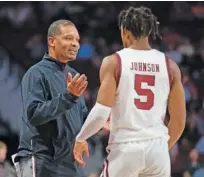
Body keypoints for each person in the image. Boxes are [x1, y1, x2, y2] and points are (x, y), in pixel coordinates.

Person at [73, 6, 186, 177]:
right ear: (150, 32)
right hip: (158, 152)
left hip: (126, 148)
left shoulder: (114, 62)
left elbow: (100, 113)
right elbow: (178, 122)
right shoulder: (171, 66)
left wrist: (80, 138)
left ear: (124, 31)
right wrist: (157, 148)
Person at [13, 20, 88, 177]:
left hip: (70, 162)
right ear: (52, 41)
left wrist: (99, 125)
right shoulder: (36, 74)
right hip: (39, 159)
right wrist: (69, 97)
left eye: (77, 40)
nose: (75, 44)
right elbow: (33, 114)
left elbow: (82, 117)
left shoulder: (74, 76)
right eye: (68, 38)